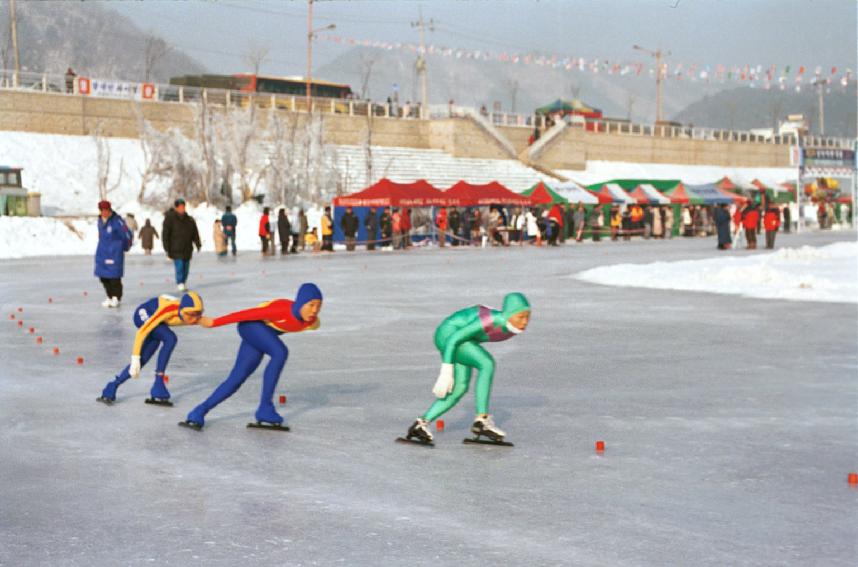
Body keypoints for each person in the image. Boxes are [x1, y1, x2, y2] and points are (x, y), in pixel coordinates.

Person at [182, 284, 323, 430]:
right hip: (250, 326)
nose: (314, 310)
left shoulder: (312, 322)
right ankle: (265, 407)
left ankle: (198, 412)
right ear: (300, 302)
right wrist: (214, 322)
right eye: (311, 305)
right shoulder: (282, 309)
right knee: (280, 352)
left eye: (318, 306)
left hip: (261, 335)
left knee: (236, 379)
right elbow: (245, 315)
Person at [401, 293, 531, 445]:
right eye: (520, 316)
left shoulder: (508, 324)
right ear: (509, 313)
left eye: (528, 317)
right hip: (448, 336)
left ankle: (420, 425)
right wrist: (446, 370)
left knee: (459, 389)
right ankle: (482, 420)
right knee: (486, 363)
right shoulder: (491, 320)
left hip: (464, 340)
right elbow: (454, 339)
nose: (525, 322)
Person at [97, 292, 204, 405]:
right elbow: (141, 332)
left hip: (158, 322)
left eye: (198, 314)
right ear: (182, 310)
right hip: (143, 313)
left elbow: (213, 322)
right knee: (170, 338)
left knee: (144, 358)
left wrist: (225, 318)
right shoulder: (169, 310)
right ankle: (158, 384)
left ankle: (112, 387)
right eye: (190, 314)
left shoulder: (193, 317)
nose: (194, 319)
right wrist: (134, 359)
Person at [95, 200, 133, 308]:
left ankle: (116, 297)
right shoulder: (100, 221)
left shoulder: (117, 221)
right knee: (103, 277)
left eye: (106, 210)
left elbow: (127, 234)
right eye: (102, 210)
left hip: (114, 253)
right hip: (103, 253)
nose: (104, 212)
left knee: (114, 278)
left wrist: (125, 247)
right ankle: (110, 296)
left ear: (109, 210)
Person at [162, 198, 201, 292]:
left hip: (187, 248)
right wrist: (167, 248)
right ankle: (180, 282)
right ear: (176, 208)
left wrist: (197, 243)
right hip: (175, 248)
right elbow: (165, 234)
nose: (182, 209)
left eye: (183, 207)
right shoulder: (170, 219)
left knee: (186, 268)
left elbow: (195, 232)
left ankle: (183, 281)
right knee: (179, 266)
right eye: (180, 207)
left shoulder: (189, 219)